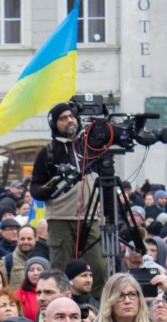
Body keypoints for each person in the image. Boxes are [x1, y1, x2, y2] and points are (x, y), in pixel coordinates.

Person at [29, 102, 106, 297]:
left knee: (97, 266)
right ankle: (61, 305)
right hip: (61, 219)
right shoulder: (48, 152)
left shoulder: (90, 148)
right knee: (61, 269)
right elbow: (35, 188)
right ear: (55, 123)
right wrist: (49, 189)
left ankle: (97, 306)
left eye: (71, 116)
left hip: (89, 218)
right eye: (63, 118)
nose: (69, 120)